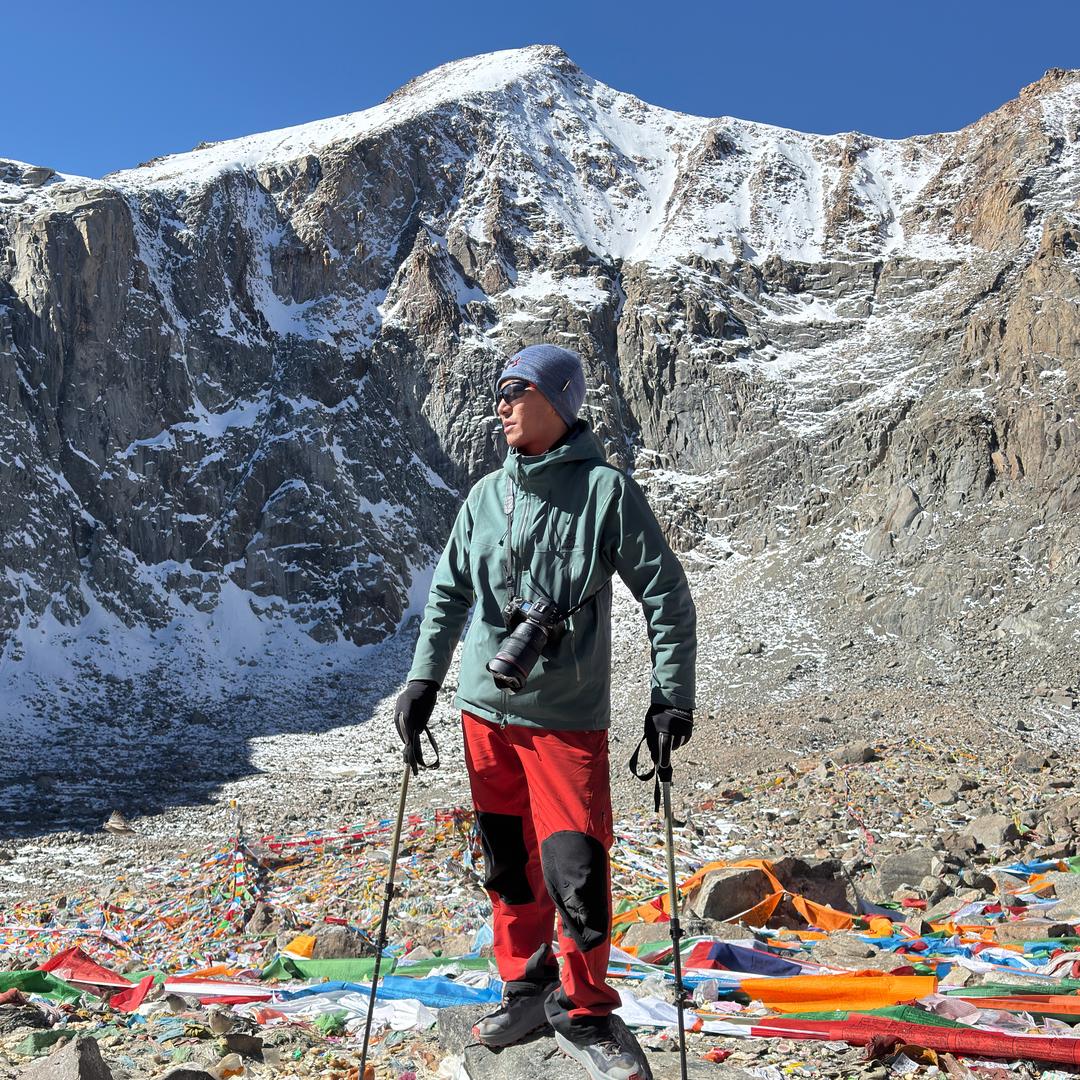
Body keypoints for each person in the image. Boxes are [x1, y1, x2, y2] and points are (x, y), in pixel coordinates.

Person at [394, 344, 696, 1080]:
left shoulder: (606, 493)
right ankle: (525, 988)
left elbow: (666, 595)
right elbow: (447, 598)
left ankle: (587, 1011)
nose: (499, 405)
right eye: (498, 392)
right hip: (482, 716)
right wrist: (422, 684)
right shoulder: (484, 497)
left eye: (514, 391)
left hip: (565, 719)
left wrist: (671, 695)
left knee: (576, 868)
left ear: (558, 400)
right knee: (507, 865)